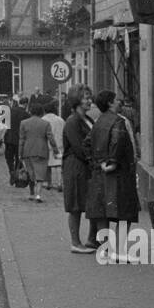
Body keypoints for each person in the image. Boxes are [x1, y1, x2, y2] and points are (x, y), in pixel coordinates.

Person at [85, 91, 138, 247]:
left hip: (100, 174)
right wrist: (112, 162)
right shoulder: (118, 122)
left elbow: (86, 144)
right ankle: (120, 247)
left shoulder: (98, 122)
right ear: (109, 103)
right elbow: (117, 141)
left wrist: (96, 162)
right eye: (116, 100)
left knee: (102, 211)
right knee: (124, 212)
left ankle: (105, 246)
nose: (119, 102)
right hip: (119, 174)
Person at [62, 87, 96, 253]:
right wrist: (94, 160)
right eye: (85, 98)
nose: (89, 101)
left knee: (91, 203)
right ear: (77, 101)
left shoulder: (86, 118)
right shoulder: (72, 121)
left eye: (90, 98)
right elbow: (78, 146)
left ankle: (91, 239)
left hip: (86, 166)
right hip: (76, 166)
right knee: (75, 204)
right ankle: (75, 243)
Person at [18, 100, 53, 202]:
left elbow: (21, 139)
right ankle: (38, 195)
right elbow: (51, 138)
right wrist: (55, 150)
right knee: (40, 174)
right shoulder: (46, 123)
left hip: (27, 150)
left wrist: (20, 152)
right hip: (42, 150)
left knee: (31, 173)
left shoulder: (24, 123)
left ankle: (31, 193)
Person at [4, 95, 30, 186]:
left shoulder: (10, 111)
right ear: (26, 104)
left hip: (9, 138)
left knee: (9, 157)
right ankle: (16, 173)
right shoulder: (27, 115)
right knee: (19, 158)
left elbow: (3, 123)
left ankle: (11, 170)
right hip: (20, 139)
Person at [42, 97, 66, 197]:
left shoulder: (43, 120)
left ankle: (48, 182)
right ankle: (60, 183)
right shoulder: (60, 120)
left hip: (47, 145)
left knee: (47, 164)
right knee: (59, 165)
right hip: (59, 145)